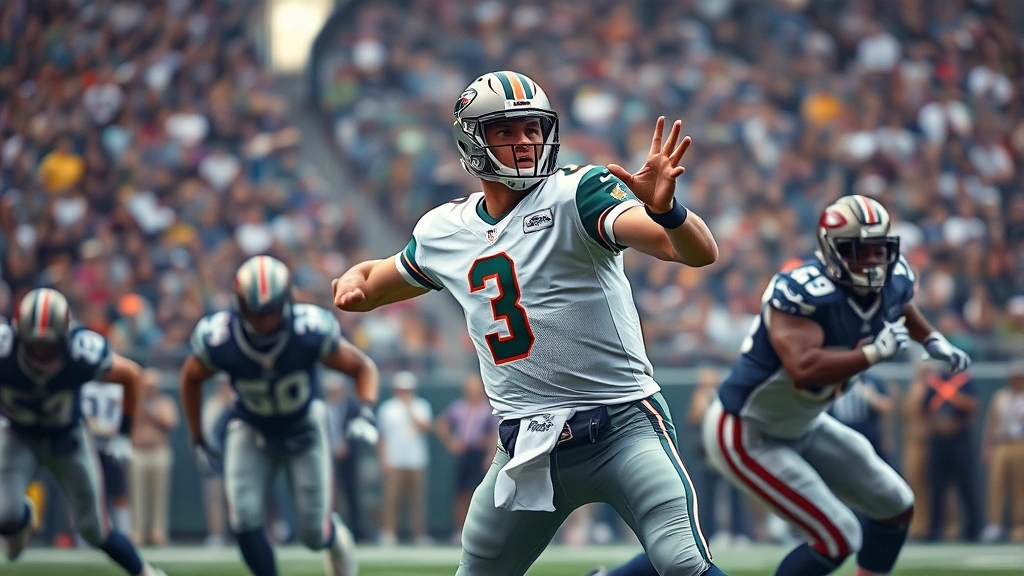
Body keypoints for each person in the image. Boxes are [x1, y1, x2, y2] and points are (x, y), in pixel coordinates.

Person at [333, 70, 724, 576]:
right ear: (472, 140)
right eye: (506, 131)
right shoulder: (444, 230)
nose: (525, 142)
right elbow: (373, 280)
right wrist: (351, 285)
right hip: (526, 445)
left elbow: (692, 251)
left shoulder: (577, 194)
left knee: (683, 564)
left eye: (533, 129)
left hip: (621, 424)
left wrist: (667, 211)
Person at [605, 195, 972, 576]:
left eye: (880, 250)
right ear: (832, 252)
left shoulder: (890, 279)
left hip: (804, 424)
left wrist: (930, 338)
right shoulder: (801, 291)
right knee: (837, 536)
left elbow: (899, 303)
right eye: (860, 251)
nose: (873, 262)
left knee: (895, 504)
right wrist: (871, 355)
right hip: (746, 430)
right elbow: (803, 367)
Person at [179, 255, 380, 576]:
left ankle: (334, 535)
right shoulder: (221, 338)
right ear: (239, 305)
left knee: (314, 534)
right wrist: (197, 436)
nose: (265, 321)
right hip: (250, 424)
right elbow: (191, 378)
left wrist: (366, 411)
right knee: (243, 517)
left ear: (286, 301)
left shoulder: (308, 330)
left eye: (271, 310)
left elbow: (361, 367)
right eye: (257, 312)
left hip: (303, 425)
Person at [0, 288, 166, 576]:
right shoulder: (4, 349)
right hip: (19, 435)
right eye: (35, 344)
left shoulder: (82, 352)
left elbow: (131, 375)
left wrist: (124, 434)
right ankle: (20, 520)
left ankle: (146, 572)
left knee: (94, 529)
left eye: (49, 345)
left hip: (68, 437)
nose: (42, 353)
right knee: (5, 512)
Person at [435, 374, 498, 544]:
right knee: (461, 493)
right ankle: (459, 530)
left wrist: (490, 456)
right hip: (464, 453)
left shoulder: (488, 409)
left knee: (482, 493)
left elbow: (494, 434)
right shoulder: (458, 407)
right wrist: (452, 443)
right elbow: (441, 424)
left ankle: (481, 530)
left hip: (479, 454)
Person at [922, 363, 980, 541]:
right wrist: (937, 425)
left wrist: (953, 396)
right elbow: (924, 408)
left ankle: (973, 530)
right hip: (939, 440)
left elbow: (972, 405)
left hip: (959, 439)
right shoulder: (935, 382)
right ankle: (933, 531)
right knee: (936, 487)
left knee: (966, 486)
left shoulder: (964, 382)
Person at [376, 371, 433, 545]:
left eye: (408, 389)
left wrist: (410, 409)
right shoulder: (387, 409)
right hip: (395, 461)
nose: (405, 393)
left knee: (417, 500)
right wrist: (384, 460)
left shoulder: (422, 406)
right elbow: (382, 437)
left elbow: (425, 428)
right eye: (402, 389)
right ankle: (389, 533)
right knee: (391, 499)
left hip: (417, 461)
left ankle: (418, 534)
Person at [130, 369, 179, 547]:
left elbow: (170, 422)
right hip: (137, 453)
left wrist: (150, 409)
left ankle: (158, 533)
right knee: (137, 495)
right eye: (147, 385)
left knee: (160, 495)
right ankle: (138, 533)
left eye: (153, 386)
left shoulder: (165, 402)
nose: (150, 389)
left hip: (159, 452)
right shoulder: (134, 402)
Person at [81, 380, 132, 536]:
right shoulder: (86, 386)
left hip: (112, 447)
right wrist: (100, 428)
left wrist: (120, 431)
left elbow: (127, 412)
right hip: (87, 446)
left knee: (119, 493)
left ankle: (124, 534)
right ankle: (84, 536)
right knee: (85, 492)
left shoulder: (117, 388)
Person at [980, 359, 1024, 542]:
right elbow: (991, 423)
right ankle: (994, 524)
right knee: (996, 484)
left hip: (1020, 444)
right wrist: (987, 446)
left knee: (1020, 486)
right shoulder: (1000, 396)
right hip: (1001, 443)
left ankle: (1019, 525)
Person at [827, 371, 896, 462]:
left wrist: (872, 397)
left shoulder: (870, 380)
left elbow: (886, 407)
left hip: (868, 436)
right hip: (840, 435)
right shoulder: (832, 382)